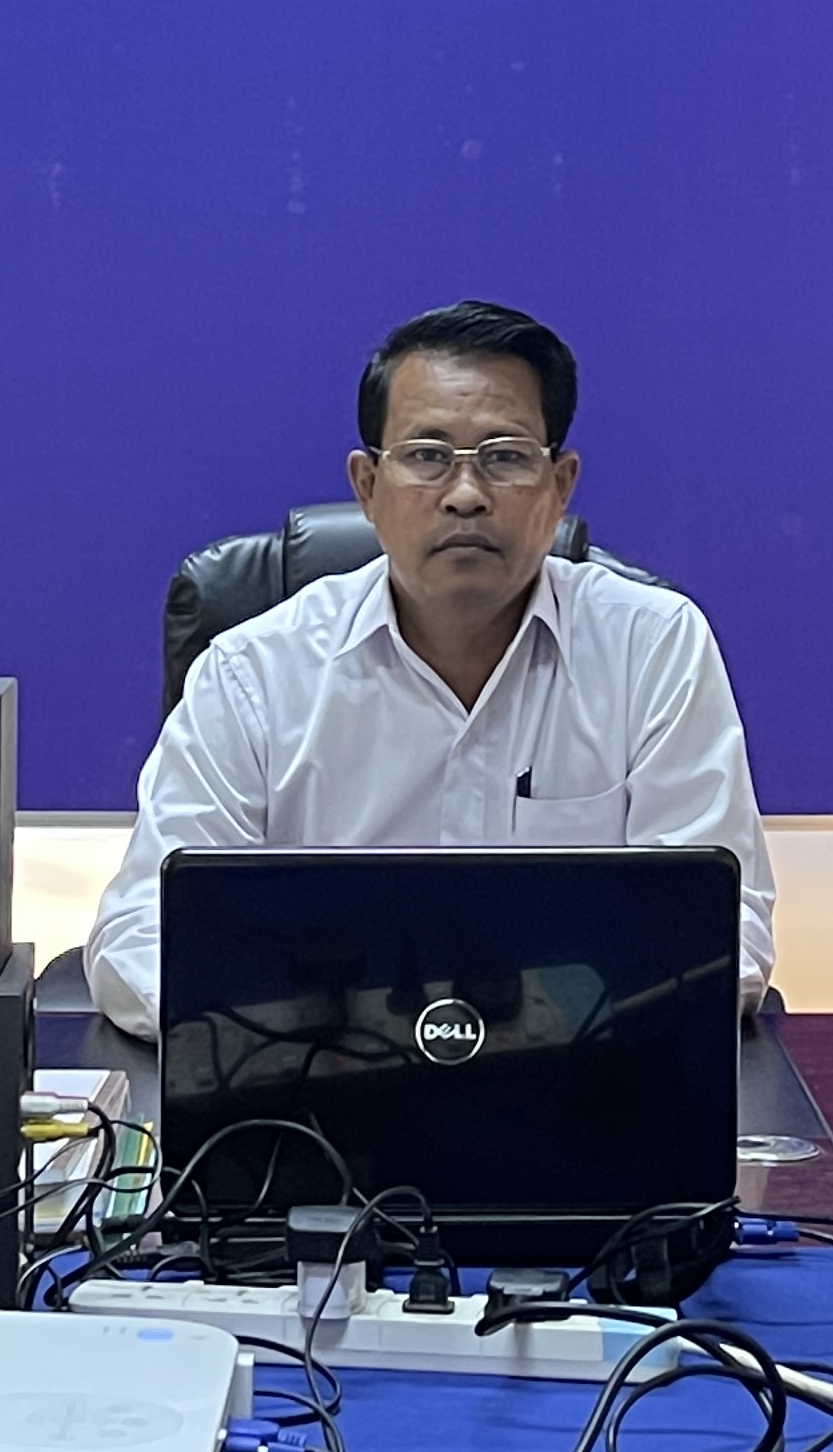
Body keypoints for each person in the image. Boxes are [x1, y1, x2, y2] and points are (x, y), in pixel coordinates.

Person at [84, 299, 774, 1037]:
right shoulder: (252, 675)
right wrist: (329, 1029)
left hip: (581, 1079)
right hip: (318, 1077)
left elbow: (724, 928)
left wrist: (525, 1034)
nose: (467, 495)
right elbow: (140, 935)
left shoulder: (653, 648)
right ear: (367, 486)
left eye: (505, 457)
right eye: (427, 456)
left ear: (560, 484)